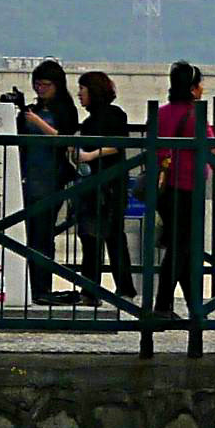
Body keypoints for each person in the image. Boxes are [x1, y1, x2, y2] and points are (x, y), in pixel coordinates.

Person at [150, 61, 215, 317]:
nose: (203, 89)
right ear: (193, 88)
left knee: (184, 248)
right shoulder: (195, 117)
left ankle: (194, 306)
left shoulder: (160, 114)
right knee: (181, 248)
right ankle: (162, 306)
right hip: (188, 189)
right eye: (200, 84)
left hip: (163, 189)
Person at [12, 59, 81, 304]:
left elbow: (65, 138)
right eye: (37, 84)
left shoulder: (65, 110)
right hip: (29, 176)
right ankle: (30, 286)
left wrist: (37, 123)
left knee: (43, 234)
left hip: (51, 177)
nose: (41, 89)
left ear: (58, 85)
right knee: (29, 234)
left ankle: (42, 287)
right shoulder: (33, 109)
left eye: (46, 85)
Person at [69, 70, 136, 303]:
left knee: (106, 237)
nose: (79, 94)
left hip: (108, 184)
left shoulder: (113, 115)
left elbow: (118, 144)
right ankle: (104, 289)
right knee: (98, 237)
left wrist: (90, 155)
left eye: (82, 90)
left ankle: (104, 289)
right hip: (97, 184)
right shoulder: (90, 121)